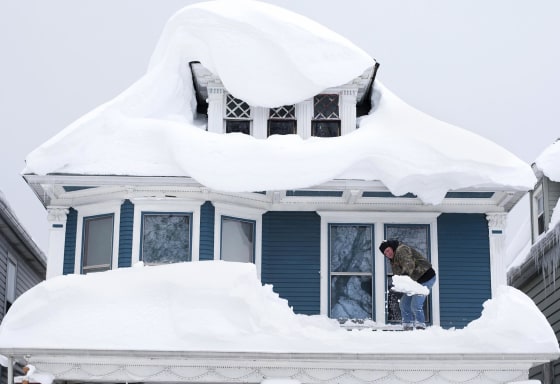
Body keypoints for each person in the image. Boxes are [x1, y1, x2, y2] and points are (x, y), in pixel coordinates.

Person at [378, 239, 436, 331]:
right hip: (415, 281)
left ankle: (420, 326)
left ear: (391, 247)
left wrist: (404, 278)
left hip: (426, 277)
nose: (387, 254)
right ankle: (407, 326)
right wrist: (397, 286)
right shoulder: (393, 260)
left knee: (415, 304)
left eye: (388, 250)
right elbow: (397, 275)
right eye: (385, 253)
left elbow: (409, 265)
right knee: (404, 304)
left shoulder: (402, 250)